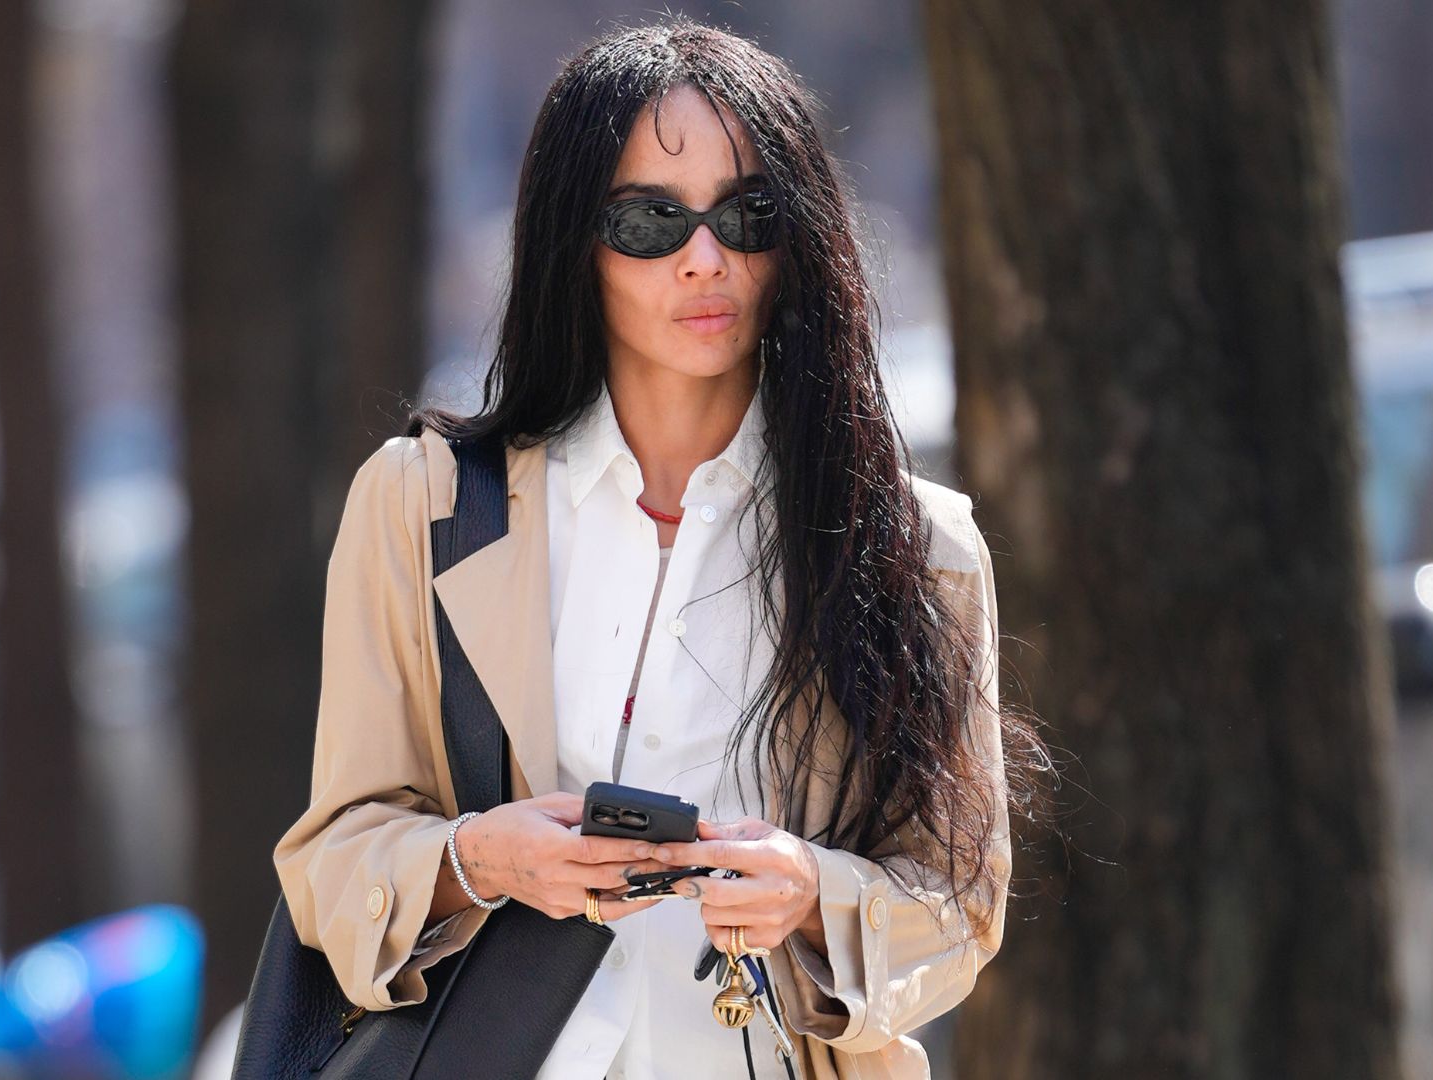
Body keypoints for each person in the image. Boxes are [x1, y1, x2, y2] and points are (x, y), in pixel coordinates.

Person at [272, 16, 1042, 1079]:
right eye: (651, 220)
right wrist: (482, 860)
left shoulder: (915, 545)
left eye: (748, 215)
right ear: (574, 240)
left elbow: (959, 902)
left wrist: (813, 895)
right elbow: (333, 856)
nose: (705, 258)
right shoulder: (422, 505)